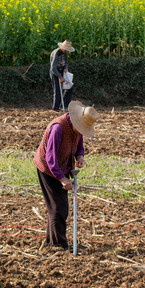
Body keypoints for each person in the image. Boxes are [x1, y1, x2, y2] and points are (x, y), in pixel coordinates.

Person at [33, 100, 97, 251]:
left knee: (57, 208)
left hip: (63, 166)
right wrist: (62, 179)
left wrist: (80, 156)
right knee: (58, 208)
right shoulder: (58, 128)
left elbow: (79, 144)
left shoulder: (77, 129)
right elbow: (50, 159)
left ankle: (51, 242)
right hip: (49, 169)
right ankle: (58, 245)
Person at [50, 40, 75, 111]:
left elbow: (65, 62)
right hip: (55, 72)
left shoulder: (64, 52)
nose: (66, 51)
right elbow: (53, 68)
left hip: (62, 71)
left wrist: (66, 67)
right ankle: (56, 108)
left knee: (70, 87)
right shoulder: (56, 53)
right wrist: (60, 77)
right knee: (57, 89)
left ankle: (64, 104)